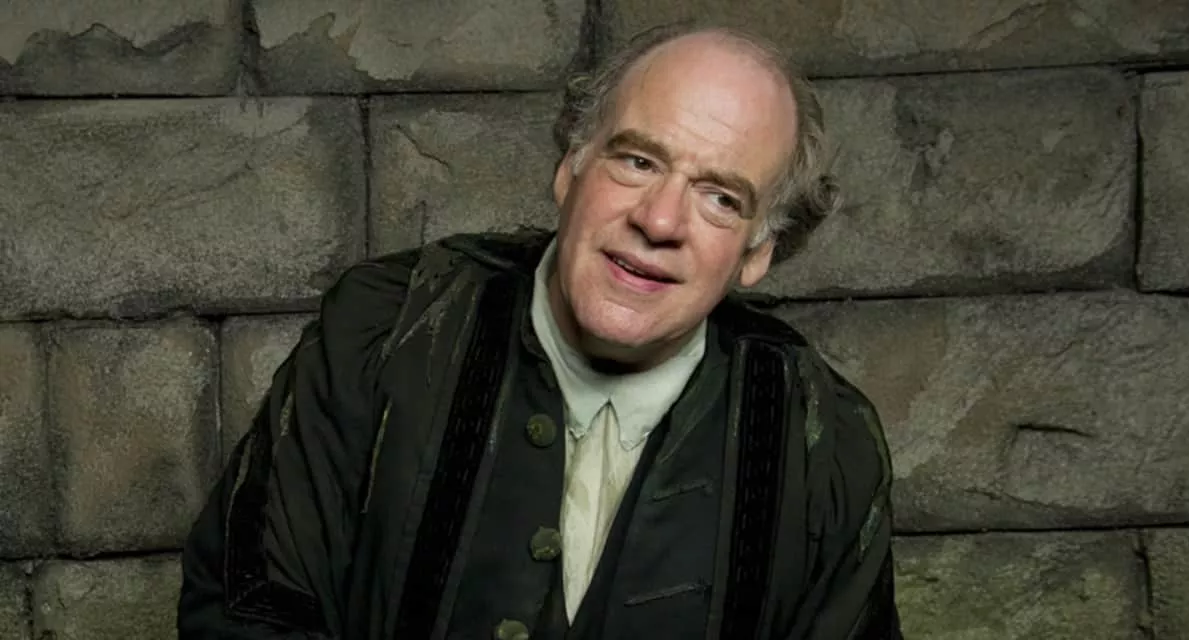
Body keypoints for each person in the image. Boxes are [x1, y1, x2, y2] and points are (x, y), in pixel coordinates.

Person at [178, 23, 902, 640]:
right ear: (571, 167)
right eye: (637, 160)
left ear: (758, 251)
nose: (659, 221)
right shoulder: (383, 332)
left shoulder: (823, 445)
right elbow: (245, 610)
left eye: (720, 198)